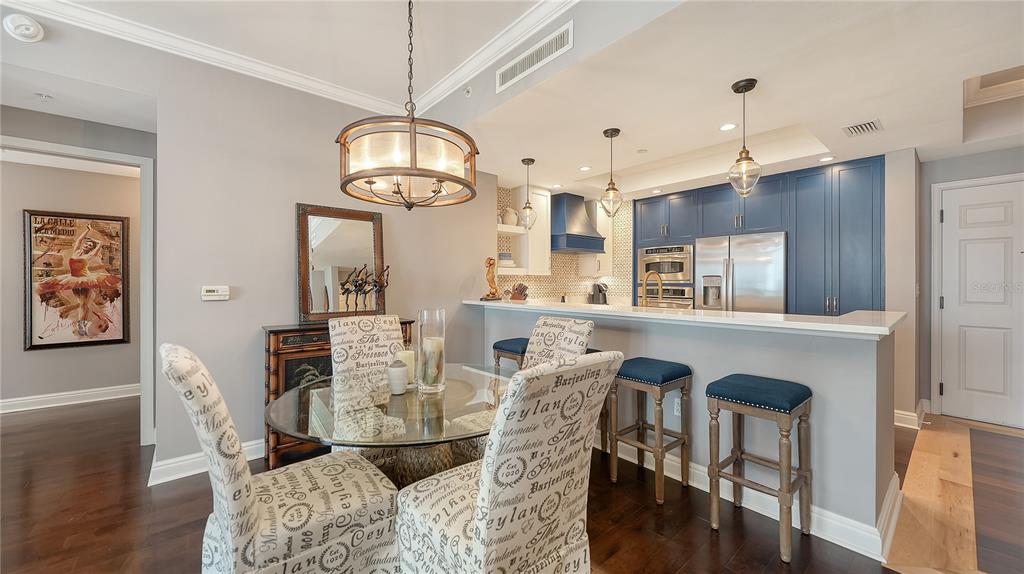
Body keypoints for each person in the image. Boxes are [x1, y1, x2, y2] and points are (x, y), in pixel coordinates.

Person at [36, 223, 121, 337]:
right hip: (73, 280)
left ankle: (82, 328)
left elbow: (95, 251)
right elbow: (79, 241)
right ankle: (82, 328)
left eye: (89, 246)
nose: (87, 246)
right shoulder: (76, 251)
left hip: (86, 280)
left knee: (83, 304)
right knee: (83, 304)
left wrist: (99, 244)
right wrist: (87, 230)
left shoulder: (88, 256)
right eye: (87, 244)